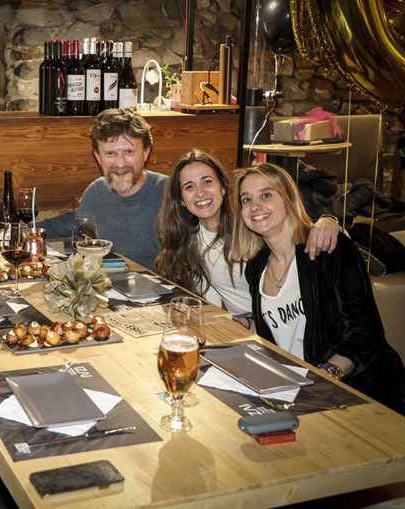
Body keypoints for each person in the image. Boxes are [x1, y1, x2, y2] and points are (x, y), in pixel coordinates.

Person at [231, 162, 405, 413]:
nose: (255, 206)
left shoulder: (328, 249)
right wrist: (247, 324)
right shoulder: (256, 267)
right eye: (246, 199)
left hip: (358, 391)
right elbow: (283, 324)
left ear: (289, 199)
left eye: (266, 195)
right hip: (294, 390)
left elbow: (366, 333)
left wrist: (323, 377)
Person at [154, 150, 340, 326]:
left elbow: (302, 230)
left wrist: (330, 221)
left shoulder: (253, 223)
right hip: (250, 328)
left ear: (223, 187)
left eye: (207, 182)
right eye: (190, 186)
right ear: (180, 199)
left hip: (292, 323)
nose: (200, 192)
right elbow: (203, 300)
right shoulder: (188, 240)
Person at [36, 107, 167, 270]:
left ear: (145, 153)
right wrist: (16, 232)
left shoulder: (169, 192)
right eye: (111, 153)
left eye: (129, 151)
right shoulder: (96, 191)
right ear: (98, 157)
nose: (120, 163)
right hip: (107, 284)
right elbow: (69, 224)